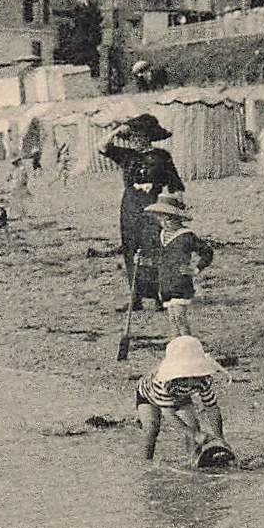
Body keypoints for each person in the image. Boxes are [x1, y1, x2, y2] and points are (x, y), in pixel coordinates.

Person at [100, 114, 185, 316]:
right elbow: (102, 147)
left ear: (148, 137)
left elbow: (175, 184)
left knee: (153, 247)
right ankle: (135, 297)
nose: (135, 140)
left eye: (139, 136)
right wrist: (117, 130)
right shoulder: (127, 156)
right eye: (132, 137)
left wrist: (177, 210)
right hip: (130, 206)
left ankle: (157, 296)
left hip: (152, 205)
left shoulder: (162, 156)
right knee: (130, 247)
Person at [135, 335, 230, 463]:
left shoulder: (203, 380)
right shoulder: (164, 381)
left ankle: (193, 459)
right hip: (148, 397)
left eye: (195, 372)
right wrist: (196, 435)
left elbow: (212, 408)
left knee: (193, 424)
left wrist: (220, 438)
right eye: (187, 374)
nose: (193, 378)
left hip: (181, 396)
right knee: (152, 428)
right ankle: (145, 462)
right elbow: (169, 415)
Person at [145, 194, 214, 338]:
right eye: (162, 219)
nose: (165, 223)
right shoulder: (162, 236)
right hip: (165, 284)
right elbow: (159, 259)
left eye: (169, 218)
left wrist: (196, 269)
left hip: (180, 284)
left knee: (180, 318)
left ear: (179, 218)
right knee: (172, 321)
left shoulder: (186, 236)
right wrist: (144, 261)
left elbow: (207, 252)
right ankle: (177, 352)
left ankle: (189, 349)